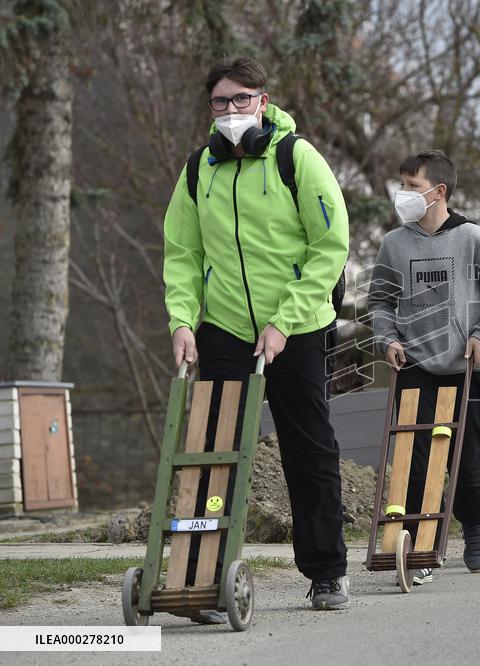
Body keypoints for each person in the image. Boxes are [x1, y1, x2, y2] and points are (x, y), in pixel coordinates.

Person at [163, 57, 351, 612]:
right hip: (222, 326)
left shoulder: (297, 157)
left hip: (296, 326)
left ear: (263, 101)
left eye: (241, 99)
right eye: (220, 102)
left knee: (307, 448)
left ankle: (326, 572)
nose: (230, 110)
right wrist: (181, 319)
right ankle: (200, 576)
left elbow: (330, 246)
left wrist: (284, 319)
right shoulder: (200, 169)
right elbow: (182, 251)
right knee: (211, 451)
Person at [367, 150, 480, 585]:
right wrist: (388, 339)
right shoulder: (395, 243)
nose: (403, 194)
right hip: (414, 363)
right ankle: (420, 548)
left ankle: (474, 524)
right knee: (414, 461)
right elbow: (378, 300)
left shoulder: (472, 237)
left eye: (412, 186)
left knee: (466, 460)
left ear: (439, 191)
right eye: (403, 185)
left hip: (466, 365)